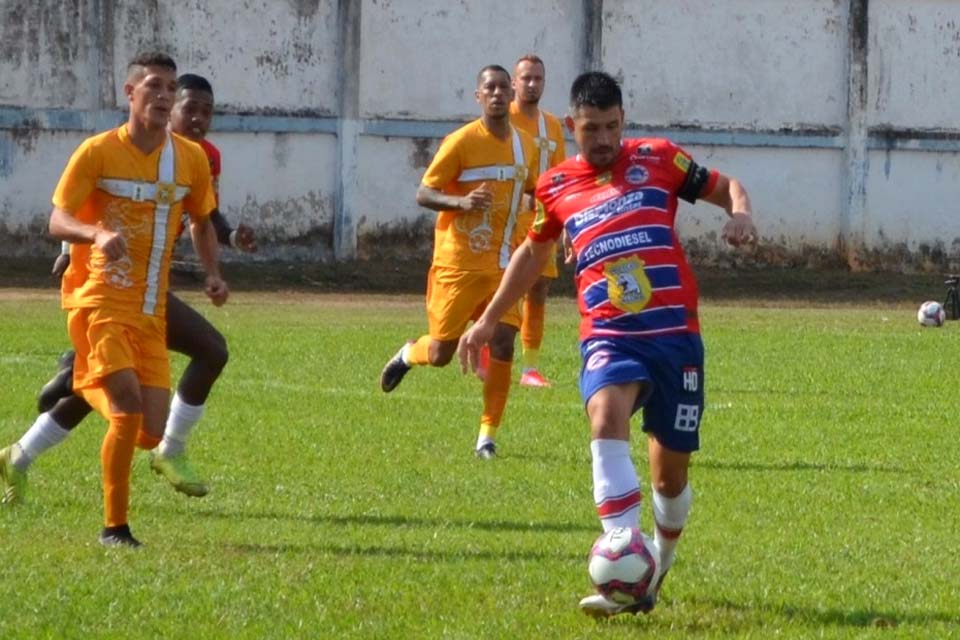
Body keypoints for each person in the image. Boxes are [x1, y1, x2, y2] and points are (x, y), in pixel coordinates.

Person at [458, 71, 757, 615]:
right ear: (572, 125)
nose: (602, 139)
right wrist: (487, 321)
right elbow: (530, 255)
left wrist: (740, 215)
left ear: (624, 121)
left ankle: (654, 569)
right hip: (609, 332)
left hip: (674, 337)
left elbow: (726, 187)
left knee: (670, 481)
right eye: (591, 128)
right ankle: (622, 548)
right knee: (603, 414)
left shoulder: (661, 158)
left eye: (611, 127)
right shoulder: (554, 187)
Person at [0, 73, 257, 508]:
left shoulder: (201, 157)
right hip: (109, 287)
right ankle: (166, 452)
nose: (197, 118)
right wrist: (71, 248)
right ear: (160, 107)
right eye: (188, 107)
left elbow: (203, 214)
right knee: (204, 353)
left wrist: (222, 254)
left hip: (151, 287)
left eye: (206, 111)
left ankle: (20, 453)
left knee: (114, 392)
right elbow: (83, 202)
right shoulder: (116, 150)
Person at [379, 65, 539, 459]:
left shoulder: (526, 146)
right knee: (441, 355)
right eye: (491, 88)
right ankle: (408, 353)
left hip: (503, 262)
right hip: (459, 264)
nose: (499, 93)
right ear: (479, 96)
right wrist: (461, 202)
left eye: (504, 87)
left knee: (503, 342)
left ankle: (487, 436)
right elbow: (424, 192)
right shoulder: (461, 142)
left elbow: (536, 192)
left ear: (512, 94)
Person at [508, 54, 566, 388]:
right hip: (510, 215)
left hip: (544, 218)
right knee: (503, 285)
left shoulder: (552, 125)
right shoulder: (504, 119)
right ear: (514, 82)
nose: (532, 84)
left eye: (538, 79)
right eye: (526, 78)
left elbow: (559, 173)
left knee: (538, 288)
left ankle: (530, 369)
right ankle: (490, 351)